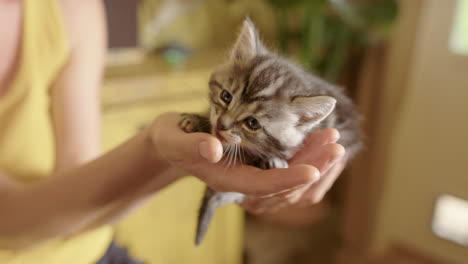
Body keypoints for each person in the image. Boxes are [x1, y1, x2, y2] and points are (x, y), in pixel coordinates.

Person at [0, 0, 346, 263]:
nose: (224, 123)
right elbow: (7, 218)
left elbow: (76, 193)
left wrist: (173, 160)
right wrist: (156, 151)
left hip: (89, 250)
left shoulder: (69, 10)